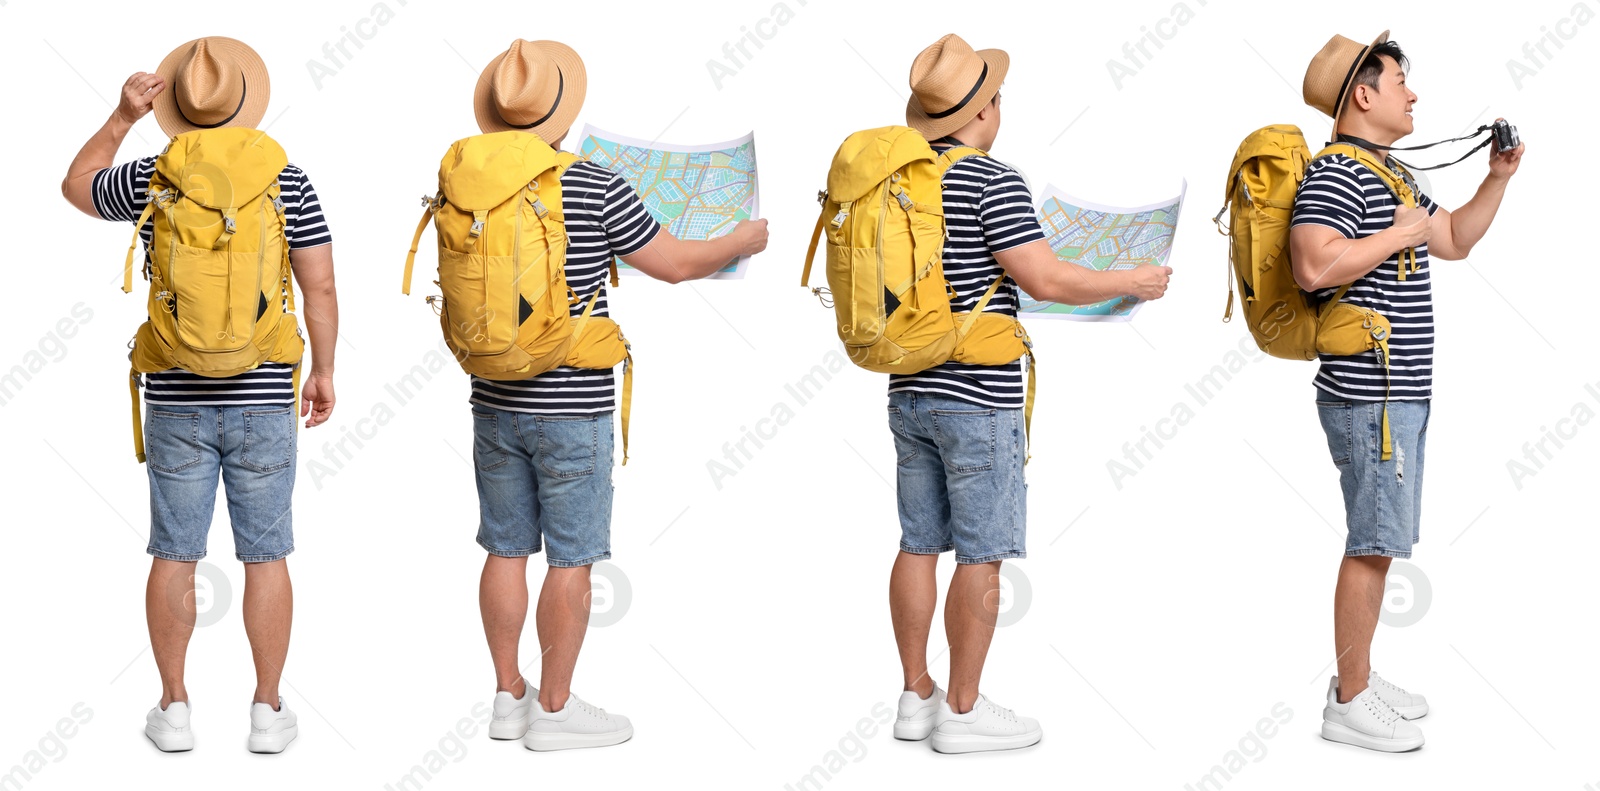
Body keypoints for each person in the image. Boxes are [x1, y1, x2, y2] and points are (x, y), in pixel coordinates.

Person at [463, 39, 769, 751]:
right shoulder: (591, 181)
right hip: (572, 404)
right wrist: (742, 237)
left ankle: (510, 696)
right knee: (570, 556)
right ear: (561, 116)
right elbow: (675, 265)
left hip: (494, 395)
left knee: (505, 548)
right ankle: (556, 708)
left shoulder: (463, 185)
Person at [886, 34, 1170, 754]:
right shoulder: (991, 179)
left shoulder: (896, 180)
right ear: (982, 111)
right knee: (982, 551)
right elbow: (1044, 279)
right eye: (996, 98)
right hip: (978, 394)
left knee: (919, 542)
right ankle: (964, 708)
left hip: (908, 386)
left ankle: (916, 695)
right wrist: (1128, 282)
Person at [60, 37, 340, 754]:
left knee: (175, 552)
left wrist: (122, 116)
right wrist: (324, 371)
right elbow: (321, 287)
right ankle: (268, 710)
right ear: (247, 103)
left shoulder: (155, 175)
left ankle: (175, 706)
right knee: (267, 552)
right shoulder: (288, 179)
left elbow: (75, 182)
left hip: (176, 394)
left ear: (179, 112)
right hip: (264, 393)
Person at [1290, 31, 1524, 753]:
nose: (1412, 94)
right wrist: (1398, 236)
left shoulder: (1386, 171)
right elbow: (1311, 264)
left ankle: (1356, 676)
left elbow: (1448, 237)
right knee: (1372, 542)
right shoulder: (1340, 173)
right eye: (1400, 82)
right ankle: (1349, 700)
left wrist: (1498, 178)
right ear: (1364, 94)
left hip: (1398, 396)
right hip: (1369, 397)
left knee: (1382, 539)